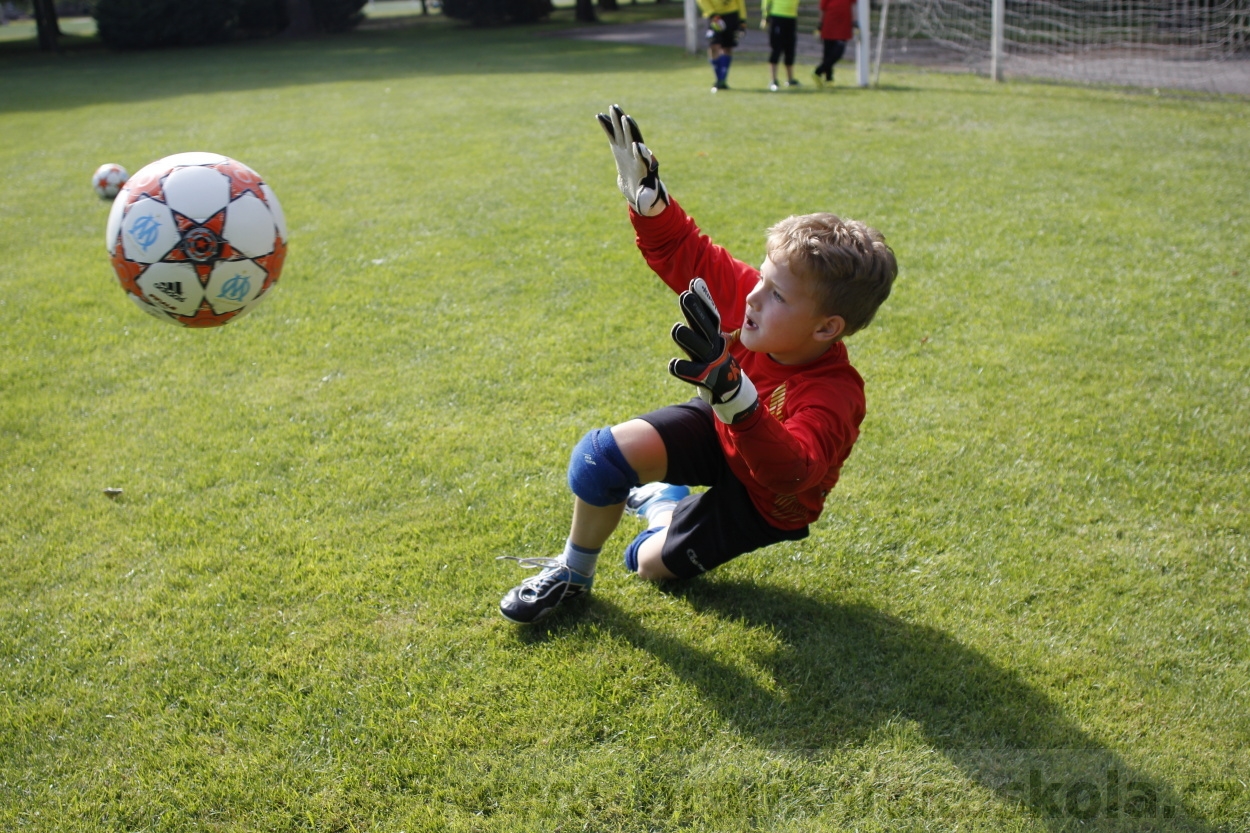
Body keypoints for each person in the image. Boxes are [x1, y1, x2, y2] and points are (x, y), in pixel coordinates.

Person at [497, 105, 898, 625]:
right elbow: (689, 252)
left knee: (643, 562)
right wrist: (650, 204)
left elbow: (791, 473)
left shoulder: (835, 394)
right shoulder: (755, 308)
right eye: (763, 277)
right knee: (598, 458)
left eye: (776, 294)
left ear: (826, 328)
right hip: (723, 424)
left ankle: (663, 505)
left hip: (763, 502)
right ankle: (572, 572)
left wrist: (734, 396)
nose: (752, 297)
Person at [696, 0, 748, 92]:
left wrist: (742, 19)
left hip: (732, 14)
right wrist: (712, 14)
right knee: (713, 46)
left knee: (727, 47)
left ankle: (722, 80)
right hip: (715, 16)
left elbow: (740, 2)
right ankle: (719, 78)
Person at [814, 0, 855, 88]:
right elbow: (822, 8)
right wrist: (819, 26)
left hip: (843, 26)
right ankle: (829, 80)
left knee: (838, 53)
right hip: (829, 25)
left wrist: (855, 23)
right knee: (827, 54)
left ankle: (818, 72)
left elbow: (853, 6)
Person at [761, 0, 800, 90]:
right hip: (777, 16)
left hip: (791, 17)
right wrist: (765, 16)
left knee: (790, 48)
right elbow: (766, 2)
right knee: (776, 48)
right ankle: (773, 80)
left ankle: (790, 79)